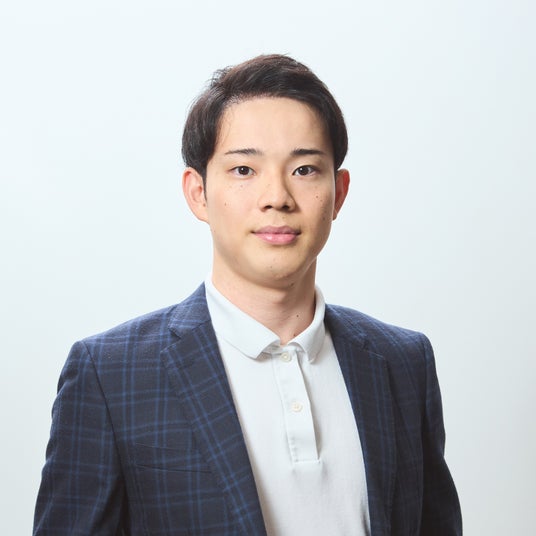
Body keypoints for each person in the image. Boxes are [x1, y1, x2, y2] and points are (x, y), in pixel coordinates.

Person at [33, 54, 462, 535]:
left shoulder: (402, 363)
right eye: (243, 170)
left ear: (339, 192)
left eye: (304, 169)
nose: (276, 197)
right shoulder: (111, 375)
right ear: (198, 192)